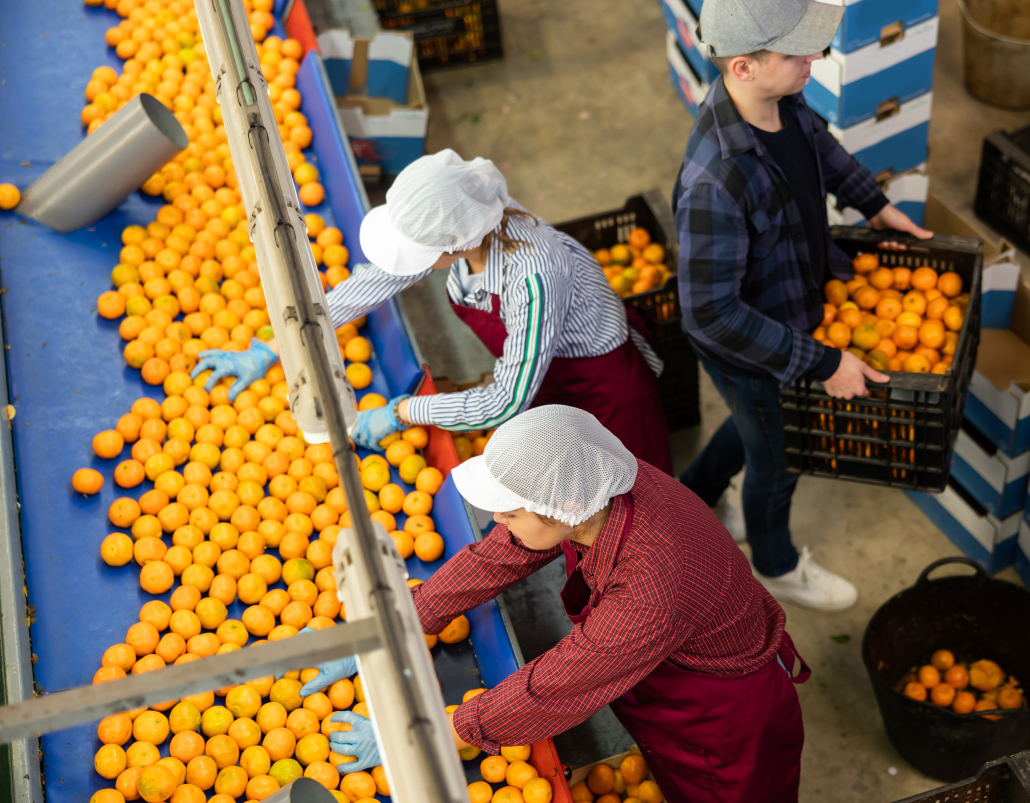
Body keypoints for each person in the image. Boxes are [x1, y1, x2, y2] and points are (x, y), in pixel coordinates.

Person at [302, 405, 809, 802]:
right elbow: (502, 553)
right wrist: (392, 629)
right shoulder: (595, 491)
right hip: (664, 680)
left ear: (560, 506)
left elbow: (553, 687)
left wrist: (416, 735)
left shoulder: (650, 587)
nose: (497, 518)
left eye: (510, 508)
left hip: (720, 726)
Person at [675, 0, 934, 610]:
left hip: (792, 307)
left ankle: (701, 495)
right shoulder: (715, 180)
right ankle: (775, 564)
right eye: (797, 52)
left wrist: (876, 206)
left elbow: (823, 151)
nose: (815, 58)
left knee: (755, 426)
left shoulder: (782, 100)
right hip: (754, 349)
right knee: (779, 457)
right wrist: (823, 363)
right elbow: (710, 314)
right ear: (743, 66)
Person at [191, 149, 673, 474]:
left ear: (456, 245)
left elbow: (503, 401)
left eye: (420, 251)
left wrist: (402, 412)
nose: (414, 262)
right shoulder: (474, 217)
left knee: (614, 511)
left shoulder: (532, 277)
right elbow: (381, 278)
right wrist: (277, 345)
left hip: (602, 392)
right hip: (543, 378)